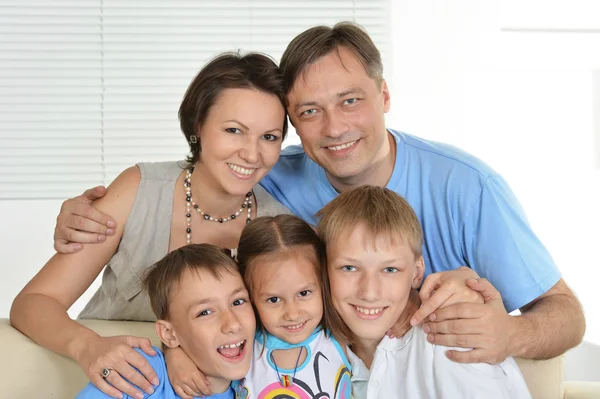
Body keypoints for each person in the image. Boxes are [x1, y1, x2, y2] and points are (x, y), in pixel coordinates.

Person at [52, 21, 583, 368]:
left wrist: (509, 337)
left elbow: (566, 314)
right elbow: (207, 165)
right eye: (309, 111)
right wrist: (92, 212)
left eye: (350, 100)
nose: (333, 127)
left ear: (385, 95)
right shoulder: (269, 178)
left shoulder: (467, 187)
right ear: (294, 127)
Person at [10, 52, 292, 399]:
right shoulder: (139, 190)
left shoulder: (276, 225)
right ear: (198, 126)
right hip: (107, 383)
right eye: (234, 130)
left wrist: (177, 350)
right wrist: (88, 347)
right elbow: (33, 302)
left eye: (269, 137)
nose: (252, 154)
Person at [318, 185, 532, 398]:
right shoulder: (317, 349)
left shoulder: (450, 343)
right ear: (322, 270)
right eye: (349, 268)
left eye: (390, 269)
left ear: (417, 273)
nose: (369, 292)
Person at [77, 243, 256, 399]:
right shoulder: (143, 373)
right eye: (205, 312)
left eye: (238, 302)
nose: (232, 324)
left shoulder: (263, 377)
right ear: (169, 334)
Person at [236, 215, 352, 398]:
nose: (292, 314)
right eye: (274, 299)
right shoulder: (241, 351)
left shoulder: (342, 339)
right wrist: (177, 357)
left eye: (304, 293)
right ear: (249, 297)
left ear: (323, 283)